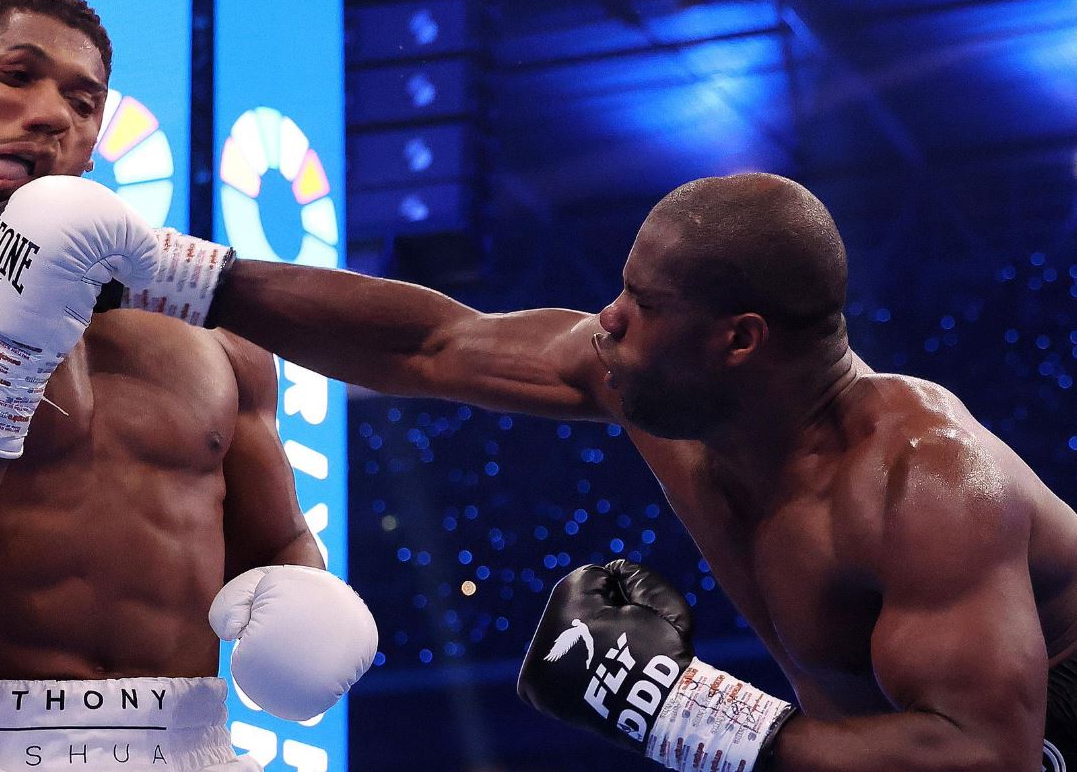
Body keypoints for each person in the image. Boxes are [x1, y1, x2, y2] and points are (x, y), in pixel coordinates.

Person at [196, 172, 1077, 770]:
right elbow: (430, 344)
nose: (606, 321)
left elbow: (987, 754)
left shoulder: (921, 481)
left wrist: (682, 709)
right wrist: (186, 278)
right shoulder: (644, 381)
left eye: (644, 304)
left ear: (738, 338)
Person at [0, 0, 375, 772]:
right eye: (17, 74)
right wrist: (6, 357)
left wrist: (308, 600)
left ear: (95, 138)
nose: (49, 112)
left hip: (194, 746)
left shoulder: (213, 329)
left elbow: (276, 542)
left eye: (82, 99)